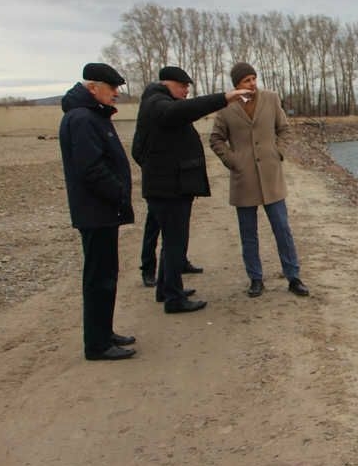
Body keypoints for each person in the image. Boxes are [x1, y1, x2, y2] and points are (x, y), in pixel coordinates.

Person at [133, 65, 249, 313]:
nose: (186, 91)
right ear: (167, 84)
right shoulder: (158, 103)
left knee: (171, 242)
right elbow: (183, 111)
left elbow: (138, 150)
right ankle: (174, 299)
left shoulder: (157, 104)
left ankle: (166, 289)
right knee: (175, 242)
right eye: (183, 86)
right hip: (169, 190)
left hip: (169, 187)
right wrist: (224, 97)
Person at [209, 62, 309, 298]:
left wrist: (278, 152)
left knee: (282, 229)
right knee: (248, 233)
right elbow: (216, 139)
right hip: (244, 180)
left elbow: (284, 129)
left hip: (271, 177)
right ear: (237, 85)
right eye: (246, 80)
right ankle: (255, 279)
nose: (252, 84)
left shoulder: (271, 99)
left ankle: (293, 277)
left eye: (254, 78)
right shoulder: (226, 107)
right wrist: (233, 161)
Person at [58, 62, 137, 361]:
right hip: (96, 211)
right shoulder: (82, 119)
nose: (116, 93)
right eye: (112, 88)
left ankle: (104, 332)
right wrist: (118, 193)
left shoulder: (91, 116)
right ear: (93, 87)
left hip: (101, 211)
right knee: (99, 277)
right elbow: (90, 168)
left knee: (106, 274)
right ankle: (97, 344)